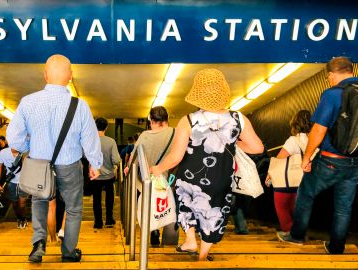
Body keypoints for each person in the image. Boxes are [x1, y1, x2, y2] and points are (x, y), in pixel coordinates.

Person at [150, 69, 264, 261]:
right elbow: (257, 147)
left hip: (189, 178)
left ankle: (190, 239)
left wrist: (157, 169)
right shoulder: (239, 119)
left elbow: (176, 156)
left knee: (185, 204)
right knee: (215, 212)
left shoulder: (188, 121)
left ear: (198, 95)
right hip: (221, 178)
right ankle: (203, 255)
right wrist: (232, 144)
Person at [7, 54, 102, 263]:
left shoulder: (28, 102)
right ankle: (68, 251)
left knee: (40, 201)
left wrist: (29, 147)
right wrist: (95, 164)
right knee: (73, 208)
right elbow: (90, 138)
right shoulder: (80, 105)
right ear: (70, 77)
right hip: (69, 165)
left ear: (45, 75)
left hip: (38, 164)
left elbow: (13, 138)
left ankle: (38, 243)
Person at [277, 57, 358, 254]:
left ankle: (296, 236)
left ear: (332, 75)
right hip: (355, 163)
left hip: (331, 159)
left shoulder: (332, 94)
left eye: (329, 77)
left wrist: (306, 158)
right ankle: (336, 247)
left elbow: (318, 130)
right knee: (344, 207)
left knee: (305, 193)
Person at [124, 106, 177, 246]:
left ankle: (153, 230)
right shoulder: (176, 133)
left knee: (152, 204)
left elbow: (133, 160)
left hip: (149, 180)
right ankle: (170, 241)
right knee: (170, 206)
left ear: (152, 121)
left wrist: (128, 168)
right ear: (167, 119)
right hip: (170, 179)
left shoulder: (145, 136)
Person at [266, 110, 312, 234]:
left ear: (295, 124)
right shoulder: (315, 139)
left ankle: (290, 234)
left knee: (282, 208)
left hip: (287, 183)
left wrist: (270, 174)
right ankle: (299, 233)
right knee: (297, 210)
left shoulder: (294, 140)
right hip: (306, 181)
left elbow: (280, 158)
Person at [93, 117, 120, 229]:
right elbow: (116, 160)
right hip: (109, 175)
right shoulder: (111, 141)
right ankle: (109, 219)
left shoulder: (91, 141)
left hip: (95, 176)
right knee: (109, 198)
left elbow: (85, 156)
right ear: (106, 127)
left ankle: (98, 222)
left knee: (96, 199)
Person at [0, 147, 28, 229]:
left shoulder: (25, 151)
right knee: (15, 204)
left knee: (22, 204)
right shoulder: (3, 152)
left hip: (25, 182)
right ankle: (19, 218)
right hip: (11, 183)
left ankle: (23, 219)